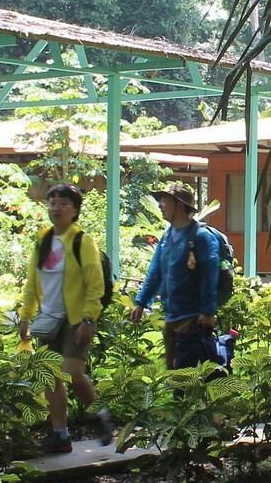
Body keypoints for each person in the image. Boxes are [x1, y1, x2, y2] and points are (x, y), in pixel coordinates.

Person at [18, 184, 111, 453]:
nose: (56, 208)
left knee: (72, 372)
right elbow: (32, 282)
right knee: (50, 377)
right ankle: (60, 435)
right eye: (52, 202)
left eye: (63, 203)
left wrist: (89, 319)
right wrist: (26, 316)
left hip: (75, 319)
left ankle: (100, 415)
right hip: (49, 321)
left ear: (75, 210)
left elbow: (95, 283)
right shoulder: (43, 240)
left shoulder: (82, 241)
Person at [130, 182, 221, 368]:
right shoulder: (167, 237)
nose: (160, 205)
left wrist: (208, 311)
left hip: (193, 318)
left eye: (165, 200)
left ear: (179, 205)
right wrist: (141, 302)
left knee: (185, 376)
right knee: (173, 373)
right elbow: (155, 272)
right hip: (172, 317)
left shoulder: (201, 237)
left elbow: (210, 276)